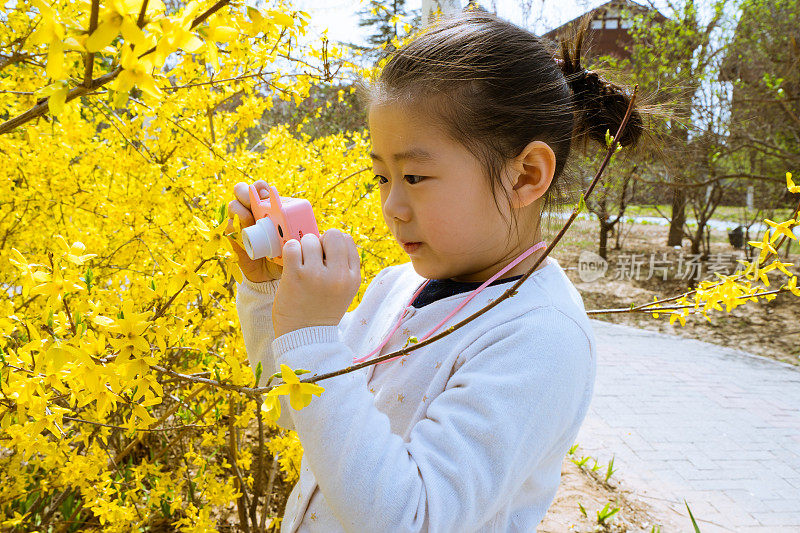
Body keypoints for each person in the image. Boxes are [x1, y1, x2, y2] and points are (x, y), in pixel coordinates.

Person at [229, 10, 644, 533]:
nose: (392, 207)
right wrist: (272, 295)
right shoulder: (399, 286)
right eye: (382, 176)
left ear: (525, 176)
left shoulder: (539, 339)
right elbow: (297, 405)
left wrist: (313, 336)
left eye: (416, 176)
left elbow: (415, 519)